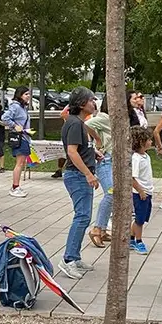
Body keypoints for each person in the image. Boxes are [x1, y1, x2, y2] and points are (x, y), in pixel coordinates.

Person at [58, 87, 100, 280]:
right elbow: (72, 152)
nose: (94, 103)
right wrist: (88, 174)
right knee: (82, 217)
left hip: (81, 174)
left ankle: (74, 256)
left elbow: (81, 149)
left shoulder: (79, 123)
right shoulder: (75, 123)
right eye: (91, 100)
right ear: (82, 104)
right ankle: (68, 260)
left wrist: (94, 154)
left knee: (84, 216)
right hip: (78, 176)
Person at [85, 97, 115, 248]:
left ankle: (102, 229)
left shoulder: (118, 119)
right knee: (110, 193)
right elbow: (85, 125)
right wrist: (97, 140)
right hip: (105, 161)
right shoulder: (104, 118)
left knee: (114, 195)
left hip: (115, 162)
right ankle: (97, 229)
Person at [129, 125, 155, 254]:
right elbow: (132, 178)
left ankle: (131, 238)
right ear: (141, 142)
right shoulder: (136, 159)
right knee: (139, 219)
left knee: (142, 218)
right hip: (140, 193)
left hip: (147, 192)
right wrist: (140, 191)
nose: (151, 142)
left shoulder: (145, 156)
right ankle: (139, 241)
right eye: (149, 140)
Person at [4, 87, 32, 198]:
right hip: (20, 138)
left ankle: (16, 186)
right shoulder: (15, 106)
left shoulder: (23, 107)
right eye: (26, 94)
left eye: (29, 94)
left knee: (21, 163)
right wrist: (15, 126)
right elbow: (5, 118)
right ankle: (15, 187)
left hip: (25, 137)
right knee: (19, 163)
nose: (28, 96)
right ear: (20, 95)